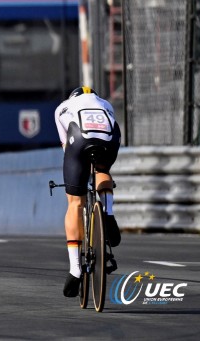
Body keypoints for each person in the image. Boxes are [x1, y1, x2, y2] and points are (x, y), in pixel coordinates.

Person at [54, 86, 121, 298]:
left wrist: (78, 176)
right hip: (109, 141)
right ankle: (108, 213)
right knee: (102, 170)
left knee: (75, 202)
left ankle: (75, 270)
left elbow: (66, 148)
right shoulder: (105, 104)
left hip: (79, 139)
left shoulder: (62, 108)